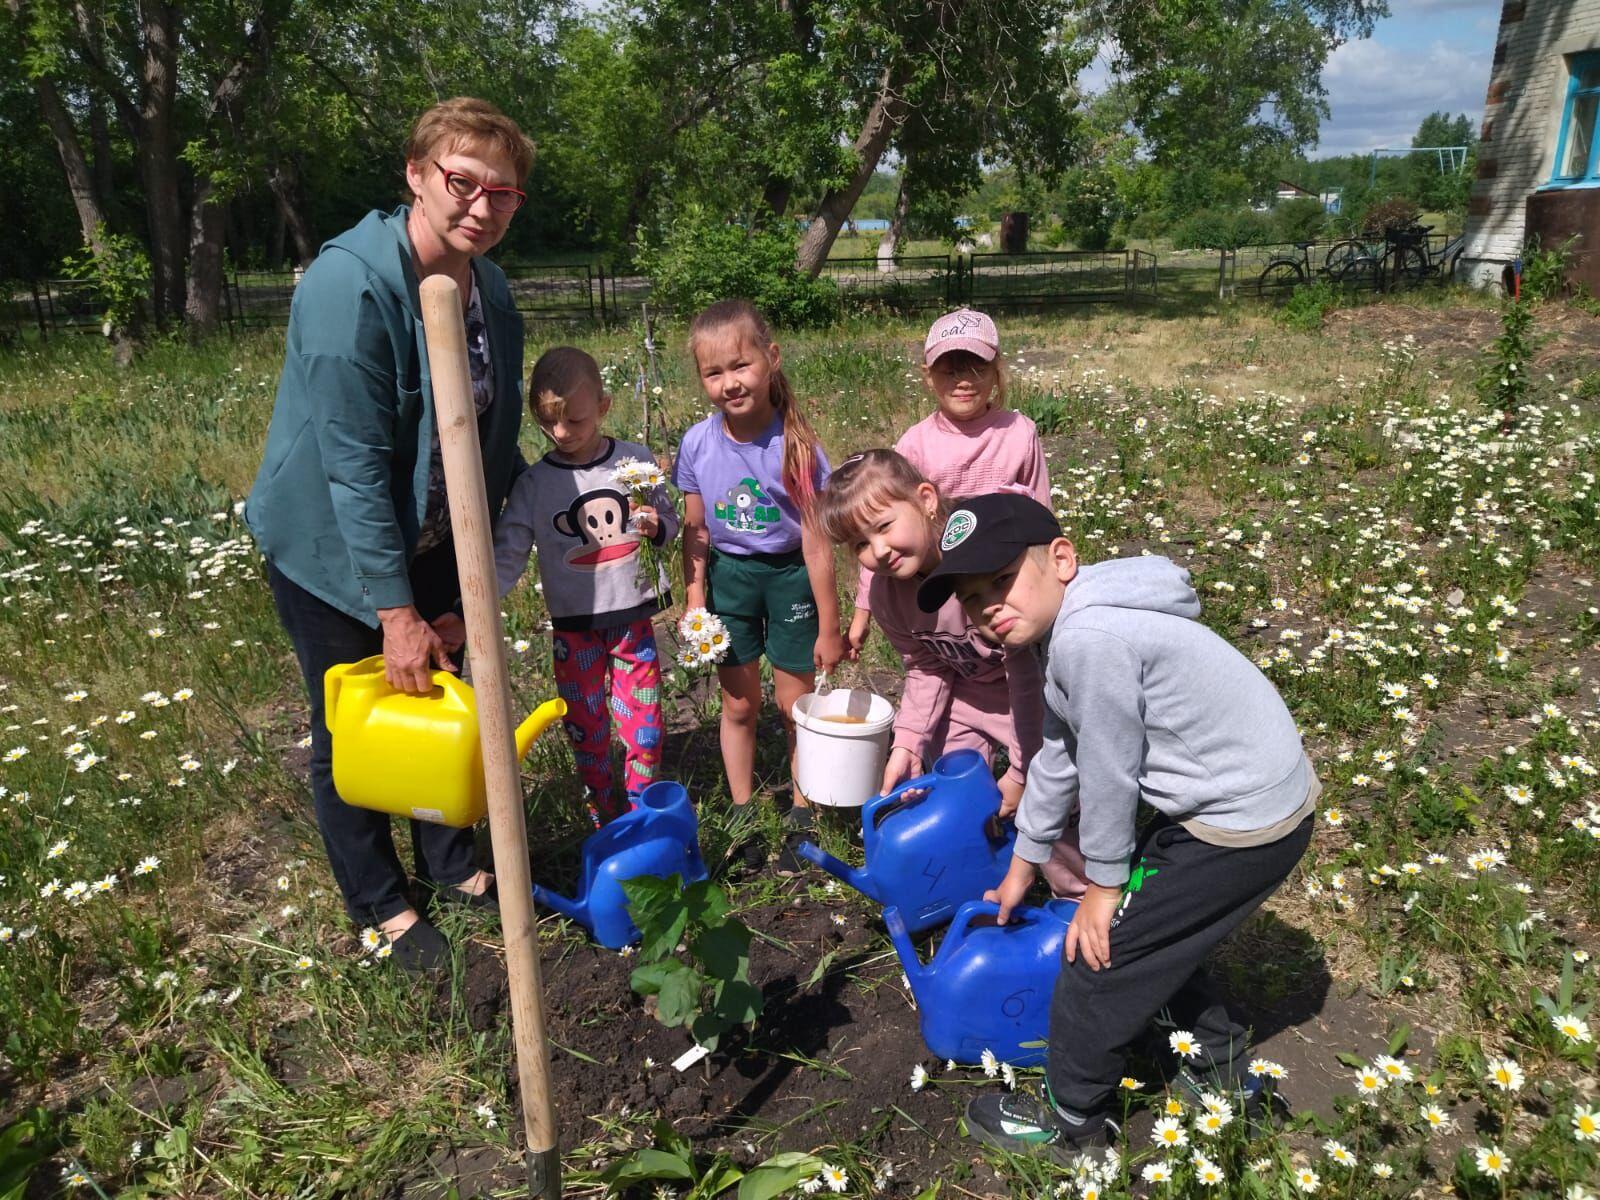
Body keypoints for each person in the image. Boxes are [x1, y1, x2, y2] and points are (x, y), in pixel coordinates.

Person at [913, 493, 1318, 1160]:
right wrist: (1021, 867)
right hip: (1248, 803)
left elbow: (1107, 773)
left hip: (1240, 818)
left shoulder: (1089, 640)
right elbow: (1058, 753)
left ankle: (1073, 1127)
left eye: (1002, 580)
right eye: (972, 595)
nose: (988, 605)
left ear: (1062, 558)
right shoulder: (1078, 626)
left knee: (1098, 955)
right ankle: (1223, 1078)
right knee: (1153, 931)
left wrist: (1101, 888)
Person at [246, 97, 536, 972]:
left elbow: (491, 433)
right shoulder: (350, 286)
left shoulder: (487, 283)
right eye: (462, 182)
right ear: (415, 175)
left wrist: (497, 551)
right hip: (337, 549)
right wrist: (394, 612)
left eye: (504, 193)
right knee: (356, 722)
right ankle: (379, 905)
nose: (482, 206)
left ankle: (448, 861)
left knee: (443, 696)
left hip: (439, 534)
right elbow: (355, 469)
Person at [817, 451, 1086, 898]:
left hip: (1033, 691)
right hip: (968, 695)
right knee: (954, 795)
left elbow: (1024, 677)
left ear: (925, 499)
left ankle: (1077, 896)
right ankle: (983, 883)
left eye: (884, 526)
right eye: (860, 544)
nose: (879, 551)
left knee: (1052, 798)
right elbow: (925, 665)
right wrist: (908, 742)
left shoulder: (975, 563)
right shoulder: (887, 595)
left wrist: (1022, 771)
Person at [671, 299, 846, 873]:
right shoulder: (697, 444)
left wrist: (829, 625)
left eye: (740, 366)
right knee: (739, 703)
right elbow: (695, 530)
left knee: (796, 705)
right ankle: (743, 809)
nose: (729, 383)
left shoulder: (797, 447)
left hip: (790, 577)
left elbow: (817, 544)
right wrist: (696, 599)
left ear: (770, 359)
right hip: (730, 580)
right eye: (713, 373)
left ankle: (802, 809)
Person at [493, 347, 678, 823]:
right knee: (586, 728)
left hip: (631, 620)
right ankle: (603, 815)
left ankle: (643, 816)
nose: (560, 433)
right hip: (574, 629)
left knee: (646, 729)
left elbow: (669, 523)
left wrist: (658, 527)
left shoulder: (634, 463)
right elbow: (508, 554)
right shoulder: (534, 485)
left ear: (603, 407)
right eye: (548, 423)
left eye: (573, 421)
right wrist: (472, 605)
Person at [846, 308, 1048, 658]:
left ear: (997, 370)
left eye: (977, 368)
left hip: (1003, 584)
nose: (964, 381)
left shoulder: (1019, 433)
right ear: (928, 376)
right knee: (953, 663)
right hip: (941, 586)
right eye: (949, 370)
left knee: (1015, 666)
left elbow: (1042, 517)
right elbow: (877, 525)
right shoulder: (916, 444)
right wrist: (863, 608)